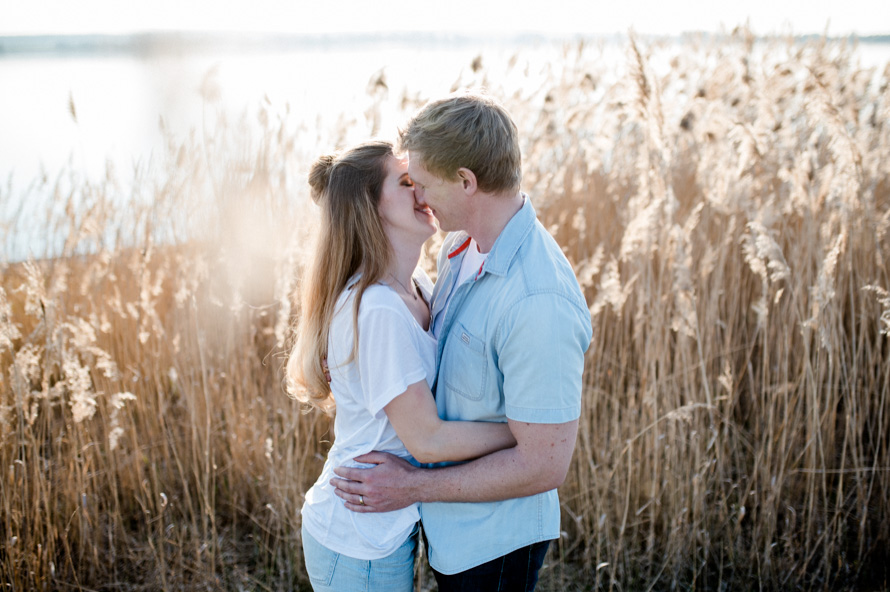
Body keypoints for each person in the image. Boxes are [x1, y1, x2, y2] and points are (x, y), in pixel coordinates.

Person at [330, 92, 593, 591]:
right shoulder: (459, 245)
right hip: (451, 526)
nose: (419, 197)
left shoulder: (538, 301)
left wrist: (411, 486)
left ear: (466, 181)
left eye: (423, 184)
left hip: (493, 541)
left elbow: (543, 464)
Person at [286, 140, 517, 592]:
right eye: (407, 182)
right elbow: (427, 440)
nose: (423, 191)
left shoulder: (419, 284)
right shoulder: (378, 309)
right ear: (369, 211)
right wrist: (523, 433)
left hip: (381, 525)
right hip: (357, 537)